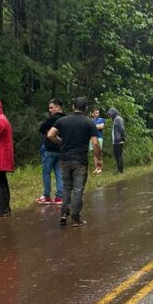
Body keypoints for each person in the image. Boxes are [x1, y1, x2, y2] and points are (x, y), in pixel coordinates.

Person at [47, 97, 100, 227]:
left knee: (66, 187)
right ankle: (76, 218)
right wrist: (99, 159)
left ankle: (64, 214)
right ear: (86, 108)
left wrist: (61, 142)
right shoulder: (89, 123)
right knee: (78, 189)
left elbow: (50, 135)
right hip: (80, 160)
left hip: (65, 159)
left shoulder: (62, 120)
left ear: (73, 107)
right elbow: (95, 143)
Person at [36, 98, 65, 204]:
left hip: (49, 150)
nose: (50, 110)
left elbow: (41, 128)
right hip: (60, 150)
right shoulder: (66, 118)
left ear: (57, 107)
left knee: (46, 173)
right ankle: (59, 197)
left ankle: (47, 196)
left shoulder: (53, 118)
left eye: (51, 107)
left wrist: (49, 132)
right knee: (59, 174)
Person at [107, 107, 126, 173]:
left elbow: (122, 129)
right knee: (117, 155)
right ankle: (119, 169)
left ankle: (120, 170)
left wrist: (122, 137)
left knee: (119, 155)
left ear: (113, 113)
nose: (109, 116)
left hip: (118, 140)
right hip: (116, 141)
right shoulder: (116, 119)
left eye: (110, 114)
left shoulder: (118, 119)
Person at [90, 106, 105, 174]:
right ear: (92, 114)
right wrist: (97, 126)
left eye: (98, 113)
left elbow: (101, 127)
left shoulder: (101, 119)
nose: (97, 114)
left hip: (99, 137)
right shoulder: (90, 120)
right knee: (94, 153)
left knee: (99, 152)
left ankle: (100, 168)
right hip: (92, 138)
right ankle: (96, 168)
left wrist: (93, 126)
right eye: (96, 113)